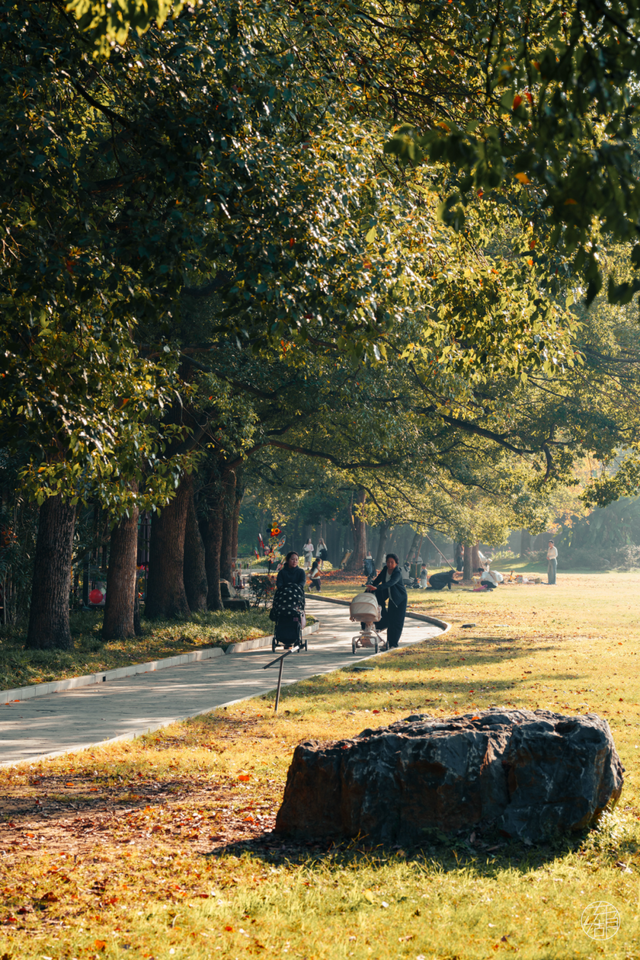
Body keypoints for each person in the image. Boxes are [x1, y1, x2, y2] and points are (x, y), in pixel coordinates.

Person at [365, 552, 407, 648]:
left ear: (396, 563)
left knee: (397, 622)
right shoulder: (385, 570)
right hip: (391, 599)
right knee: (390, 621)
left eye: (392, 562)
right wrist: (371, 587)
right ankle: (388, 643)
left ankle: (394, 644)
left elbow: (391, 583)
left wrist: (378, 588)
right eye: (388, 562)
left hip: (400, 599)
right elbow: (377, 579)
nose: (389, 564)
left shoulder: (397, 573)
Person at [271, 551, 306, 648]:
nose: (294, 561)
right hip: (284, 600)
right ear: (287, 560)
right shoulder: (282, 572)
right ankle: (283, 637)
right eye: (292, 559)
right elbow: (279, 584)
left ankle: (295, 637)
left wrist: (295, 588)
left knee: (296, 616)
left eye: (296, 560)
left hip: (296, 601)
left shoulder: (300, 572)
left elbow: (302, 583)